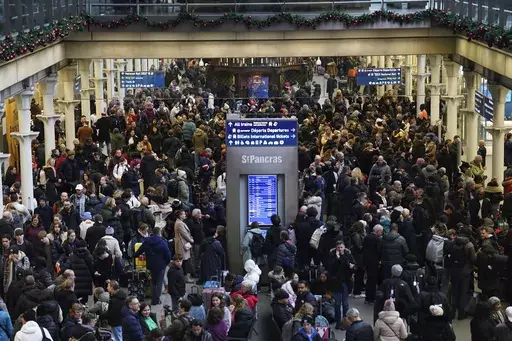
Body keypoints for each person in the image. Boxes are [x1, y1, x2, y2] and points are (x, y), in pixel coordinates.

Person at [134, 227, 172, 305]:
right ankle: (157, 299)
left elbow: (139, 251)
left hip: (150, 265)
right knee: (159, 282)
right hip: (161, 266)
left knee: (153, 282)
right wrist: (166, 263)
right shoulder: (163, 242)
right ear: (159, 233)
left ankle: (153, 299)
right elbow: (168, 255)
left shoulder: (147, 241)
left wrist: (133, 255)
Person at [327, 240, 355, 329]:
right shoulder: (332, 256)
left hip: (346, 281)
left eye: (341, 247)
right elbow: (330, 268)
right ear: (336, 248)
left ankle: (345, 322)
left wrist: (352, 267)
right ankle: (338, 322)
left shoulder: (348, 255)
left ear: (344, 247)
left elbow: (354, 266)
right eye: (338, 247)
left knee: (345, 303)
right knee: (337, 304)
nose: (340, 249)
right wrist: (338, 259)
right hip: (336, 282)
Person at [174, 210, 196, 283]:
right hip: (182, 244)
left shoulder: (179, 222)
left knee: (185, 261)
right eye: (183, 214)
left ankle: (185, 277)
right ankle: (185, 277)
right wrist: (191, 240)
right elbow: (184, 234)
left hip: (182, 243)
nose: (185, 215)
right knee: (185, 261)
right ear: (180, 215)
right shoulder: (179, 223)